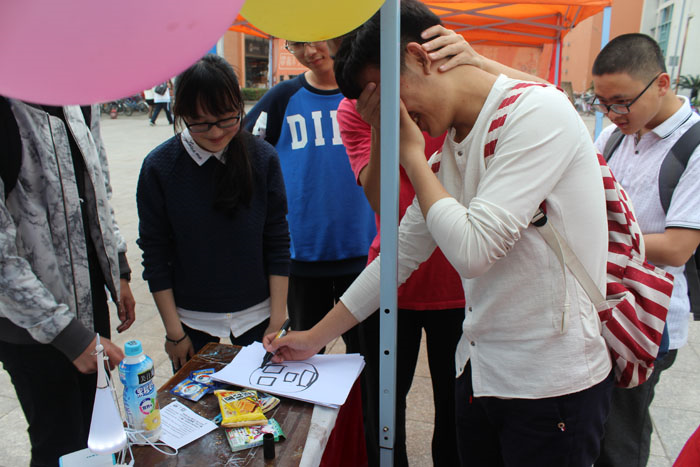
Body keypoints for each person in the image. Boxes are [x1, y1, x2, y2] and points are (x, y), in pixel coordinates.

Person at [265, 1, 615, 466]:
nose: (400, 119)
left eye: (394, 104)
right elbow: (397, 257)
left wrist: (411, 156)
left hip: (550, 387)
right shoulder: (453, 146)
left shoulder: (537, 113)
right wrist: (313, 337)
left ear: (420, 57)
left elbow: (474, 251)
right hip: (481, 372)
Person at [0, 97, 136, 466]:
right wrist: (69, 337)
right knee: (58, 441)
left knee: (99, 432)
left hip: (88, 305)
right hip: (31, 329)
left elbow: (98, 187)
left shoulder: (79, 99)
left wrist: (118, 269)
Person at [136, 54, 290, 371]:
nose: (216, 132)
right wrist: (175, 333)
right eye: (201, 122)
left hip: (259, 319)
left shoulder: (262, 158)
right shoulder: (160, 167)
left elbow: (277, 239)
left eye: (227, 119)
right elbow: (155, 254)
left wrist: (278, 320)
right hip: (191, 321)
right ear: (181, 114)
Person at [591, 33, 700, 467]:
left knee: (621, 440)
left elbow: (677, 247)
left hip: (651, 320)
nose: (613, 114)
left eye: (622, 102)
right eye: (602, 103)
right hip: (605, 304)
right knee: (596, 428)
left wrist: (595, 242)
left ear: (662, 83)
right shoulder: (614, 137)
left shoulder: (694, 146)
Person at [243, 37, 376, 354]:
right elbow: (242, 151)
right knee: (303, 356)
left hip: (366, 255)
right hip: (303, 256)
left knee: (368, 357)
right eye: (297, 44)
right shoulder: (282, 98)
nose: (310, 52)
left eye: (316, 41)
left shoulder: (367, 95)